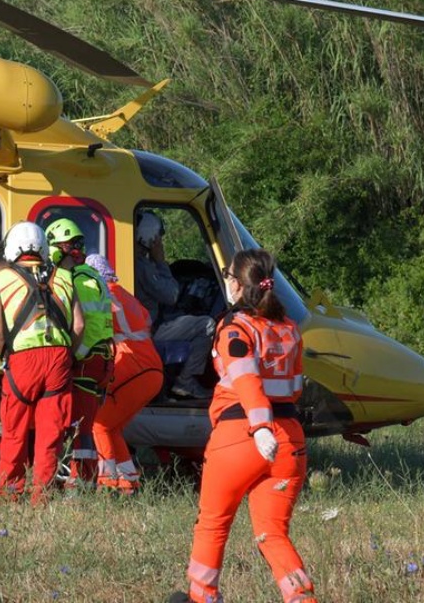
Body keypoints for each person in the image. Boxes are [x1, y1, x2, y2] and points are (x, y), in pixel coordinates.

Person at [169, 248, 316, 603]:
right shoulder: (289, 328)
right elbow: (295, 387)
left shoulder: (236, 327)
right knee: (273, 533)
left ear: (236, 284)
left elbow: (245, 376)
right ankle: (303, 598)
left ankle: (202, 597)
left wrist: (260, 425)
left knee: (213, 523)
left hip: (242, 436)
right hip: (290, 441)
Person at [0, 221, 82, 505]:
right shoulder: (66, 276)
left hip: (22, 361)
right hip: (59, 358)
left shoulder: (0, 279)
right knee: (50, 432)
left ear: (13, 247)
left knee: (15, 430)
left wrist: (2, 353)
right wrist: (69, 355)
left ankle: (9, 494)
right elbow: (78, 326)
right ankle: (42, 495)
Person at [85, 253, 164, 494]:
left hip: (135, 366)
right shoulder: (127, 295)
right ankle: (129, 483)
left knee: (99, 423)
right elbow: (147, 320)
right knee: (112, 427)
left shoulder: (105, 296)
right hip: (152, 370)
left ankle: (107, 484)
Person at [45, 218, 114, 488]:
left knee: (79, 427)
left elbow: (83, 325)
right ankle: (79, 480)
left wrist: (72, 356)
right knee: (81, 425)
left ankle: (81, 484)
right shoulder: (92, 274)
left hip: (86, 358)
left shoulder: (78, 279)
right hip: (100, 358)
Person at [133, 211, 215, 399]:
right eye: (158, 240)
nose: (160, 243)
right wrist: (161, 261)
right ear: (149, 237)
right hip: (151, 331)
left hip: (143, 327)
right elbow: (172, 295)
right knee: (207, 325)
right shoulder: (143, 267)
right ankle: (185, 381)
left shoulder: (138, 262)